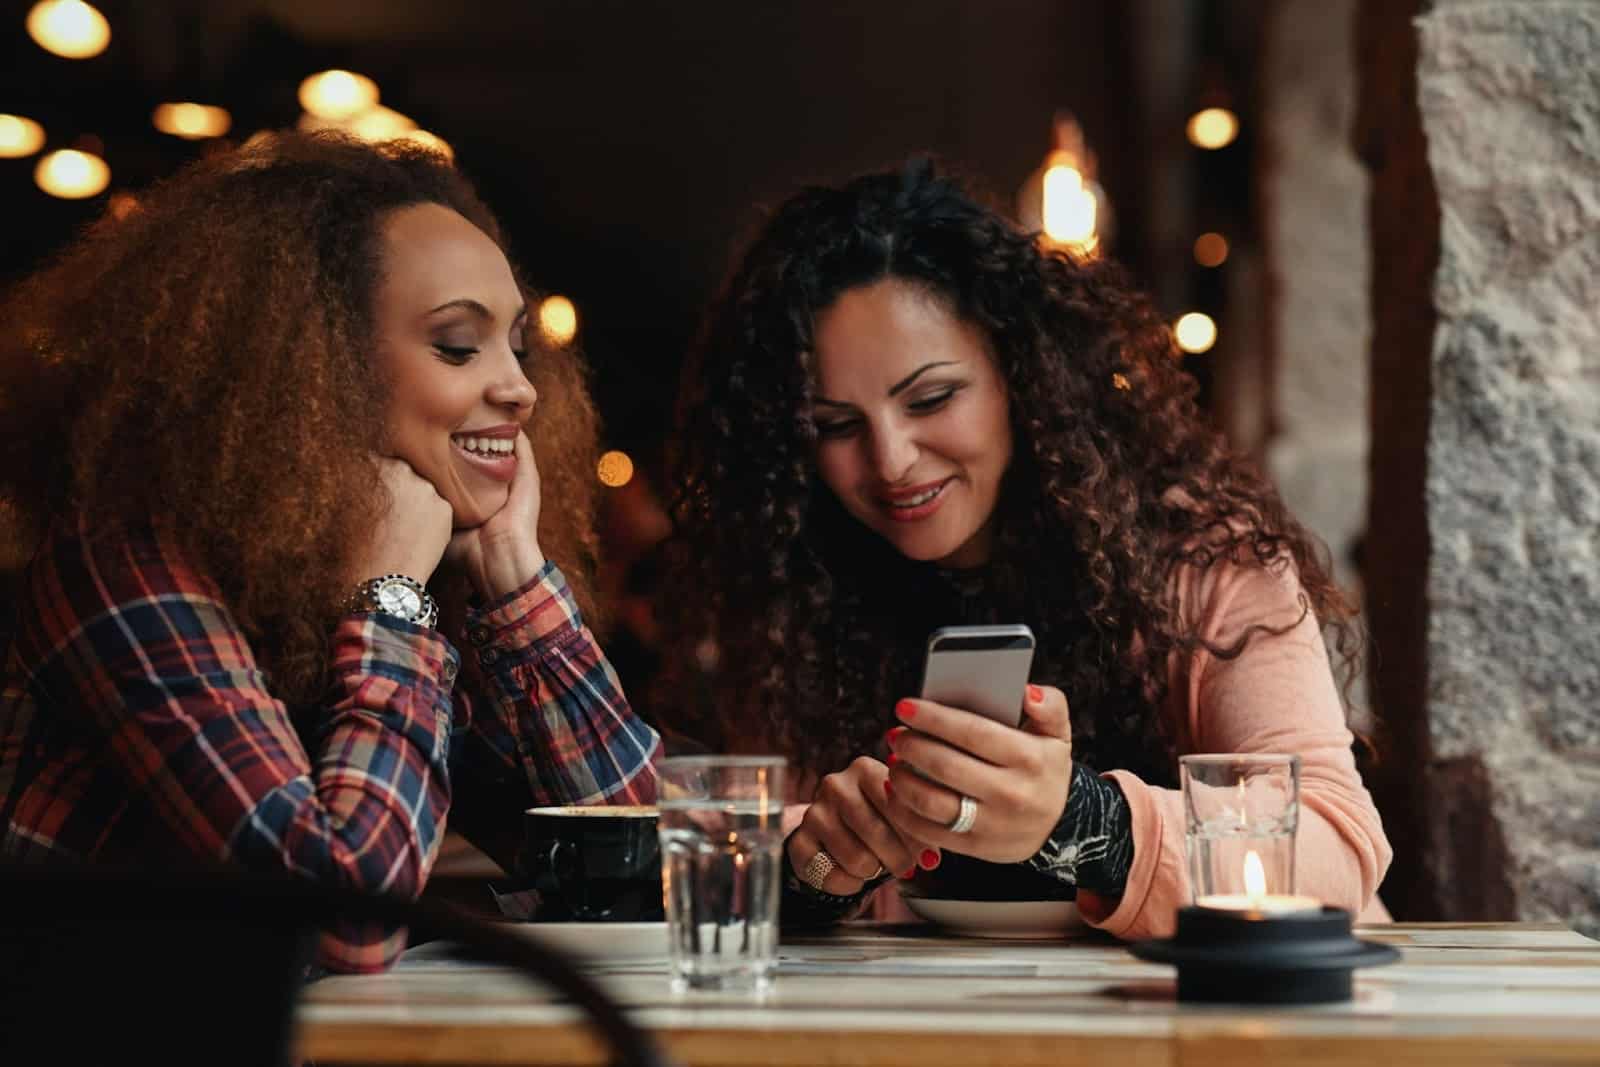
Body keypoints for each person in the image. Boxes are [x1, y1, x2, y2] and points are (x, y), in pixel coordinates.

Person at [664, 158, 1390, 937]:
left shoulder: (1204, 559)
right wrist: (816, 868)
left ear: (1021, 374)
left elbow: (1338, 850)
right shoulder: (802, 591)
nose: (891, 460)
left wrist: (1085, 823)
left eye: (932, 398)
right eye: (835, 426)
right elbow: (765, 892)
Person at [0, 132, 660, 972]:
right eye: (459, 344)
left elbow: (631, 870)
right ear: (311, 368)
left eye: (517, 346)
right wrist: (387, 604)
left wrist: (512, 570)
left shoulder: (442, 573)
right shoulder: (119, 566)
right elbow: (343, 916)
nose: (520, 387)